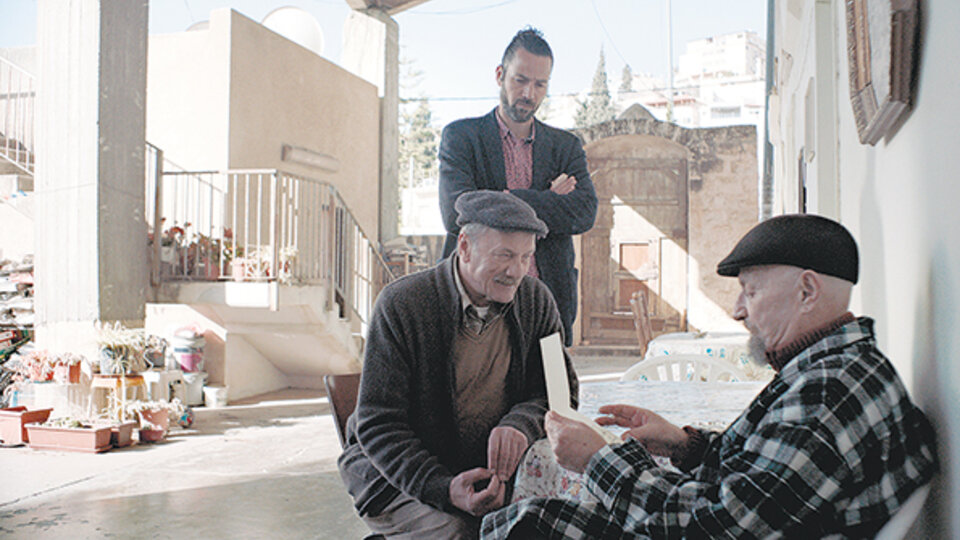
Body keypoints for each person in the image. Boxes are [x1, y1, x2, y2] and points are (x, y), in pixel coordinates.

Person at [481, 214, 938, 538]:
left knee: (530, 525)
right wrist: (682, 444)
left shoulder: (829, 392)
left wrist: (598, 462)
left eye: (751, 291)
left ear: (807, 290)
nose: (739, 310)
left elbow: (716, 526)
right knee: (530, 521)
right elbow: (759, 478)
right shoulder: (831, 368)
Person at [338, 191, 579, 539]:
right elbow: (379, 424)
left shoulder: (535, 299)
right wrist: (442, 487)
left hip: (482, 470)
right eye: (504, 256)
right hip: (397, 476)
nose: (517, 271)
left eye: (526, 257)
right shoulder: (403, 304)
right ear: (464, 246)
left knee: (556, 522)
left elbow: (560, 392)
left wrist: (521, 424)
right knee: (461, 532)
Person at [438, 27, 598, 347]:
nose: (529, 94)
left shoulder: (565, 146)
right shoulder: (461, 137)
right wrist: (548, 201)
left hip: (548, 306)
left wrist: (508, 198)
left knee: (549, 396)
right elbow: (456, 211)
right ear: (500, 75)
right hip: (476, 303)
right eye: (520, 80)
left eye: (540, 84)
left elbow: (584, 212)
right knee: (473, 396)